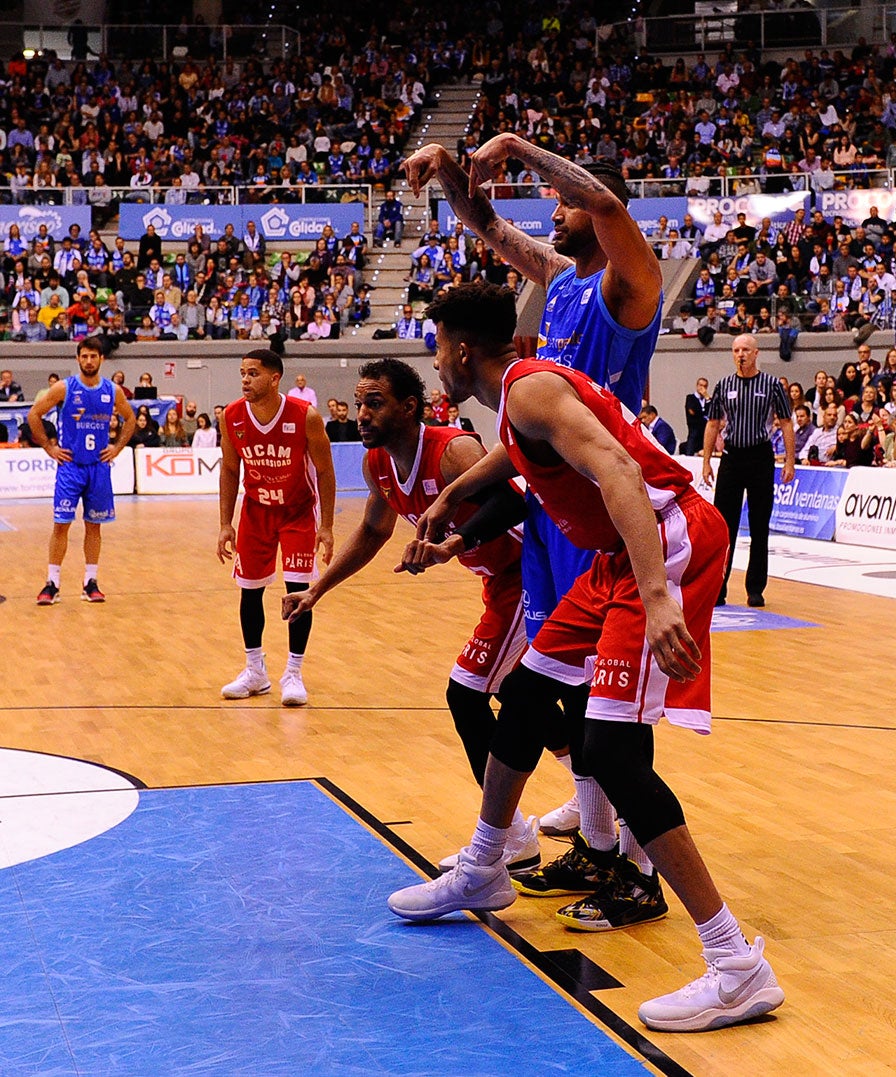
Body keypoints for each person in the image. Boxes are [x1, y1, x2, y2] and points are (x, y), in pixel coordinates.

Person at [387, 284, 784, 1034]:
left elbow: (623, 475)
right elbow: (519, 453)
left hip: (661, 541)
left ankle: (737, 965)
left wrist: (660, 594)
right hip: (616, 555)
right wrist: (453, 498)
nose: (433, 359)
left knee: (612, 749)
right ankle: (484, 865)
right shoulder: (521, 390)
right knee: (526, 693)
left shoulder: (532, 386)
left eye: (435, 343)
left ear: (461, 348)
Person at [404, 132, 663, 871]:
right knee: (559, 687)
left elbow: (605, 200)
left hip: (601, 497)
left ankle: (625, 849)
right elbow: (485, 223)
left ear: (590, 202)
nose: (553, 210)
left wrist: (518, 146)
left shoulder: (628, 286)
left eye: (564, 201)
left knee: (591, 693)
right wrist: (452, 170)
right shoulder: (560, 279)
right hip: (551, 506)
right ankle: (594, 828)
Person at [282, 358, 538, 869]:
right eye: (359, 403)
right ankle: (583, 793)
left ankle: (510, 835)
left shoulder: (453, 451)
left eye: (374, 403)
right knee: (524, 695)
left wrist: (452, 543)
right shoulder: (377, 464)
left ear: (409, 407)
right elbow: (375, 532)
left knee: (465, 694)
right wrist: (317, 590)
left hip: (530, 577)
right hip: (496, 582)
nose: (361, 414)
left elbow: (515, 506)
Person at [217, 349, 336, 706]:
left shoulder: (305, 416)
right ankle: (255, 671)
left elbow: (327, 472)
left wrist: (326, 526)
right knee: (249, 591)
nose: (245, 380)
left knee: (298, 592)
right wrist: (225, 523)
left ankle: (294, 673)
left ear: (274, 378)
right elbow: (229, 469)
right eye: (242, 373)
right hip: (256, 512)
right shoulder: (232, 416)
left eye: (252, 373)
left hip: (297, 512)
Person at [29, 336, 136, 605]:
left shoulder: (113, 391)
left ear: (102, 359)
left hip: (98, 468)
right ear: (78, 359)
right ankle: (52, 582)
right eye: (84, 356)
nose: (89, 360)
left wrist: (118, 447)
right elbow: (34, 414)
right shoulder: (65, 388)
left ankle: (91, 582)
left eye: (93, 356)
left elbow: (131, 419)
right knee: (61, 524)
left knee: (94, 527)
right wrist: (50, 448)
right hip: (71, 467)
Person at [702, 335, 794, 608]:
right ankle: (718, 589)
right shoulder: (724, 385)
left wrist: (790, 461)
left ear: (756, 353)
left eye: (745, 350)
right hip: (731, 458)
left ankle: (756, 588)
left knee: (759, 526)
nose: (740, 354)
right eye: (736, 350)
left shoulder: (772, 385)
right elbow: (713, 424)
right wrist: (707, 460)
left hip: (760, 458)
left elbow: (787, 423)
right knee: (722, 528)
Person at [684, 378, 711, 454]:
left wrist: (707, 398)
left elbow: (711, 412)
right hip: (694, 428)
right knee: (690, 448)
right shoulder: (690, 398)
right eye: (701, 385)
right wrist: (704, 415)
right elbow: (692, 412)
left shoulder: (708, 400)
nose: (702, 388)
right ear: (697, 386)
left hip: (705, 430)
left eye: (705, 386)